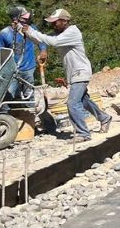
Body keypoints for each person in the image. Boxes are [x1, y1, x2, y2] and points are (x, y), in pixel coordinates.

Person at [22, 9, 110, 143]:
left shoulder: (72, 32)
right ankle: (104, 118)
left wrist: (30, 31)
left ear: (65, 21)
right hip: (74, 73)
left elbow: (53, 42)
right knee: (83, 100)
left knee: (72, 103)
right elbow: (42, 39)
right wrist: (26, 31)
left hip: (80, 72)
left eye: (55, 22)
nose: (53, 25)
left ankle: (83, 133)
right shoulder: (62, 34)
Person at [0, 5, 47, 105]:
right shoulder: (4, 34)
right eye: (24, 18)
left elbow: (41, 40)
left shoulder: (30, 29)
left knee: (29, 94)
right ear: (15, 19)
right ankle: (6, 113)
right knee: (9, 95)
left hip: (28, 68)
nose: (27, 20)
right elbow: (1, 54)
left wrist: (43, 51)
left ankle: (31, 112)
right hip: (12, 71)